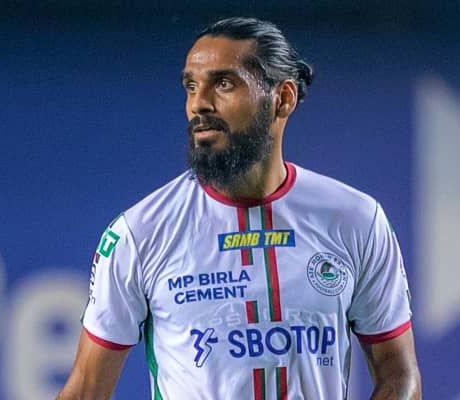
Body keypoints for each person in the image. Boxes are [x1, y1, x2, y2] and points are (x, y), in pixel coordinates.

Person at [57, 17, 421, 400]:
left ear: (283, 98)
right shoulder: (139, 233)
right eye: (191, 86)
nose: (199, 103)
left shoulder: (357, 220)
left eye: (224, 84)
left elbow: (400, 375)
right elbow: (85, 390)